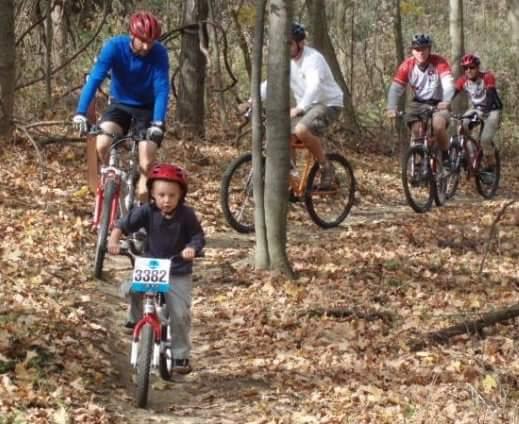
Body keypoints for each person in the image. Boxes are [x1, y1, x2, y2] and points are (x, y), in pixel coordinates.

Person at [107, 163, 205, 374]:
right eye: (161, 195)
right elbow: (122, 225)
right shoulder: (147, 211)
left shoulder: (186, 215)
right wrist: (114, 241)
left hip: (177, 269)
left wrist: (192, 248)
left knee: (180, 313)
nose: (166, 200)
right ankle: (134, 318)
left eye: (172, 195)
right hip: (151, 265)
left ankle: (180, 355)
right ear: (152, 193)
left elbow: (198, 236)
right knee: (133, 289)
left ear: (181, 195)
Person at [72, 11, 170, 202]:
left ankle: (141, 195)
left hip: (147, 109)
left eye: (151, 41)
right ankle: (113, 178)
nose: (146, 45)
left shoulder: (159, 53)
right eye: (142, 40)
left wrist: (158, 122)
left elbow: (161, 88)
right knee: (102, 144)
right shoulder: (114, 47)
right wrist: (80, 113)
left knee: (147, 160)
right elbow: (95, 79)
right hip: (120, 105)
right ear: (132, 35)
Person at [260, 22, 344, 189]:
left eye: (289, 43)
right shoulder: (286, 62)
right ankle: (293, 179)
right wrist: (251, 101)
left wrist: (300, 107)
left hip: (328, 103)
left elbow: (314, 86)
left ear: (300, 43)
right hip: (306, 106)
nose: (286, 48)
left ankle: (326, 167)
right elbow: (270, 84)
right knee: (283, 134)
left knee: (301, 130)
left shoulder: (313, 59)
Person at [387, 33, 455, 161]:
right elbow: (396, 88)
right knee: (417, 132)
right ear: (412, 51)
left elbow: (448, 84)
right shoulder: (407, 65)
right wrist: (391, 107)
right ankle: (421, 164)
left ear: (429, 49)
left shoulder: (439, 62)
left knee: (438, 126)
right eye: (417, 50)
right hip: (418, 104)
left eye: (424, 49)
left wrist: (446, 101)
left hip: (439, 103)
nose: (420, 53)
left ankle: (446, 157)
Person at [454, 53, 502, 167]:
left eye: (472, 67)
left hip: (492, 110)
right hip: (476, 109)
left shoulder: (487, 77)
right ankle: (471, 155)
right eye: (465, 68)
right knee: (462, 127)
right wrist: (443, 103)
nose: (468, 70)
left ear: (477, 67)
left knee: (485, 140)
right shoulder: (463, 80)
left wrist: (486, 110)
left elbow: (490, 95)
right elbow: (451, 93)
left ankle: (491, 166)